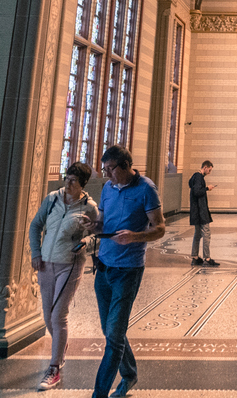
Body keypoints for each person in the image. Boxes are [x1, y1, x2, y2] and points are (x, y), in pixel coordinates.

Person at [88, 145, 165, 398]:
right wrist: (93, 226)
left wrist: (135, 237)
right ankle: (130, 374)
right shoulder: (107, 188)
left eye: (110, 169)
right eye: (104, 169)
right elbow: (102, 221)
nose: (107, 175)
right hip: (104, 267)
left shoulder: (146, 189)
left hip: (128, 270)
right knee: (110, 331)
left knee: (114, 335)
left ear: (124, 166)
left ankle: (99, 393)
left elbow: (160, 228)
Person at [28, 161, 99, 392]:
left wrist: (86, 242)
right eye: (66, 178)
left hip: (70, 264)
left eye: (73, 180)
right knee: (48, 315)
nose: (68, 183)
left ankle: (54, 367)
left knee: (59, 315)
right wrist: (36, 253)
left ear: (83, 184)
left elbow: (97, 235)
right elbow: (35, 226)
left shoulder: (90, 207)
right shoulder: (52, 199)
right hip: (46, 263)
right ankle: (61, 346)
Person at [189, 159, 219, 267]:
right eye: (209, 170)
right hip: (200, 211)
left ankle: (195, 257)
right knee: (206, 233)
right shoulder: (198, 177)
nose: (209, 172)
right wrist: (207, 188)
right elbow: (197, 192)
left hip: (196, 210)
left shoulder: (196, 177)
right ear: (205, 167)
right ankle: (207, 258)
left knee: (197, 234)